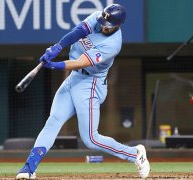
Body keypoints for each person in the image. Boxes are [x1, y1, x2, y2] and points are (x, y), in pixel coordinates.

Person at [15, 4, 150, 180]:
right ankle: (29, 168)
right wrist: (57, 47)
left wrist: (55, 65)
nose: (103, 26)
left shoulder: (113, 44)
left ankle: (135, 154)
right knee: (53, 121)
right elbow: (77, 32)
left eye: (108, 26)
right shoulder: (98, 18)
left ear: (118, 25)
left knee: (91, 139)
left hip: (90, 84)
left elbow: (81, 62)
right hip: (73, 79)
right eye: (103, 22)